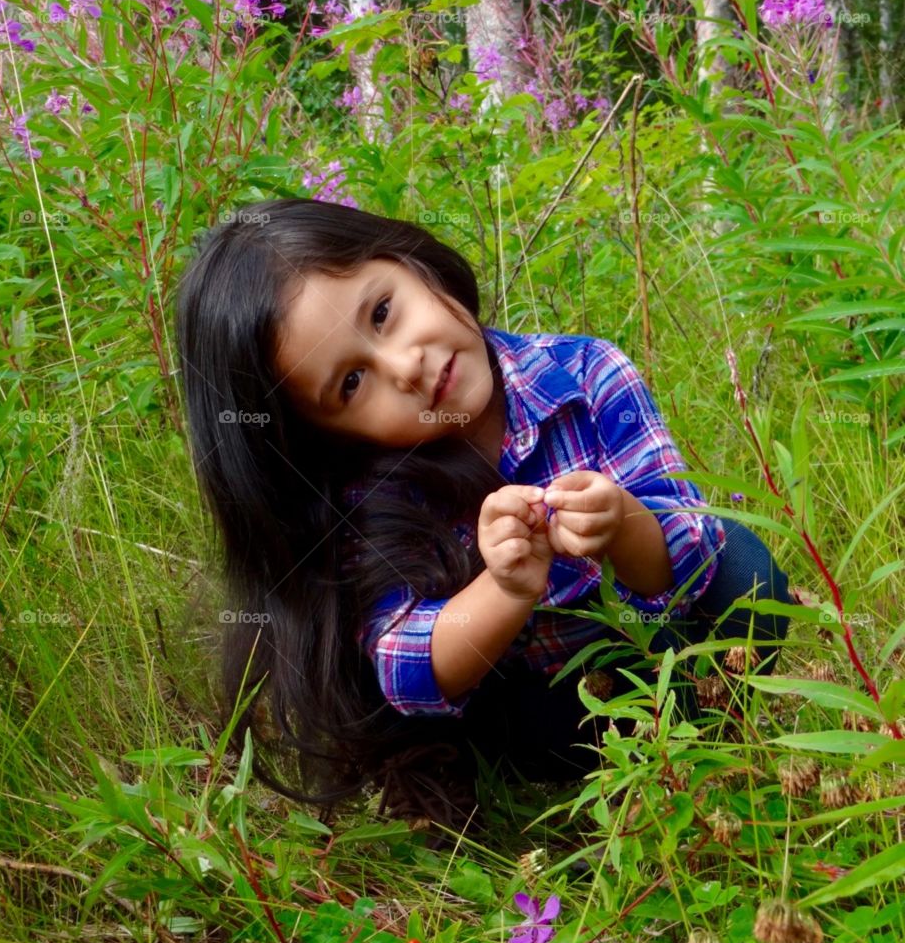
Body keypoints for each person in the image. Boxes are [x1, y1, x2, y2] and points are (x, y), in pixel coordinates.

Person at [174, 196, 791, 844]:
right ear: (326, 436)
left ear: (415, 264)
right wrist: (505, 589)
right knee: (554, 711)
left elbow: (691, 550)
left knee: (744, 567)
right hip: (545, 711)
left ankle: (709, 735)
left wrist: (625, 524)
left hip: (657, 643)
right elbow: (405, 670)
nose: (405, 366)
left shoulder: (586, 375)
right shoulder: (372, 497)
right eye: (352, 383)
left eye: (383, 313)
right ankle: (602, 785)